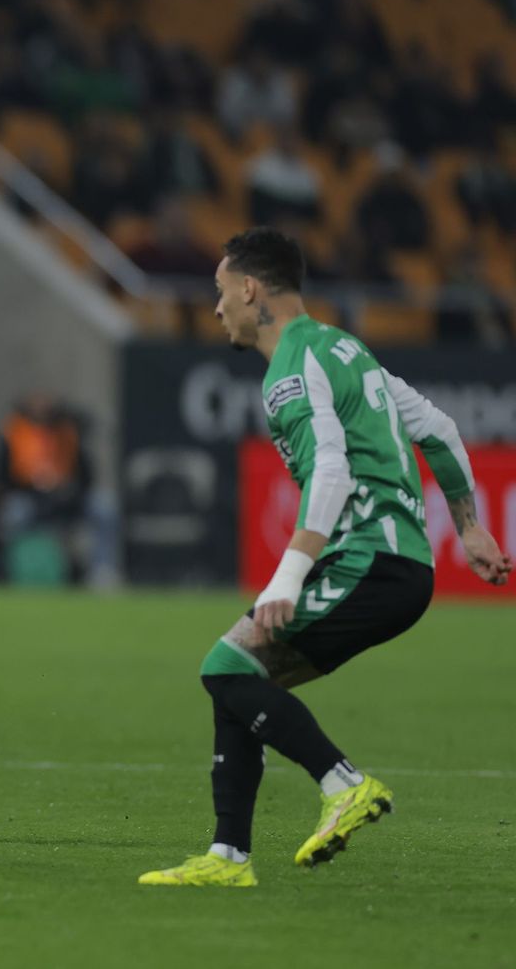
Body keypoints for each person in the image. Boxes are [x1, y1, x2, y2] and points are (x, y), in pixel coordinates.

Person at [139, 228, 511, 888]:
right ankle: (228, 859)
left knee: (226, 669)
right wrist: (470, 527)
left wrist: (289, 575)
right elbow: (440, 428)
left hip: (369, 561)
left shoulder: (289, 370)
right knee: (239, 677)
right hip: (399, 568)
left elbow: (330, 471)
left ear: (251, 288)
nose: (216, 307)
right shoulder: (345, 348)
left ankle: (344, 784)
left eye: (221, 291)